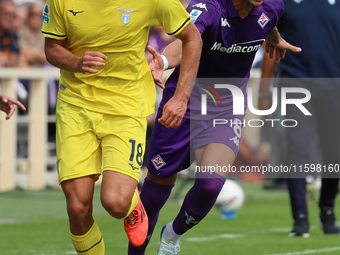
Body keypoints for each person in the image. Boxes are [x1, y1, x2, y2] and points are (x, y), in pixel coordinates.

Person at [128, 0, 302, 254]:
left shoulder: (273, 6)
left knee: (210, 184)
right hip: (183, 104)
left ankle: (172, 236)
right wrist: (163, 61)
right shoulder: (208, 7)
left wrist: (273, 37)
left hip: (225, 107)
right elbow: (188, 40)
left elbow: (268, 21)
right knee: (155, 191)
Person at [41, 0, 202, 254]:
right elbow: (51, 48)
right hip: (75, 105)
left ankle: (131, 202)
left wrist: (182, 96)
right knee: (77, 206)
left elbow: (192, 37)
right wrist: (76, 61)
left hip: (126, 105)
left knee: (115, 203)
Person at [259, 0, 340, 238]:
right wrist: (265, 89)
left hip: (333, 86)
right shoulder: (285, 3)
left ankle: (327, 209)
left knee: (334, 152)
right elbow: (272, 44)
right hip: (294, 83)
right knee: (298, 148)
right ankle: (300, 218)